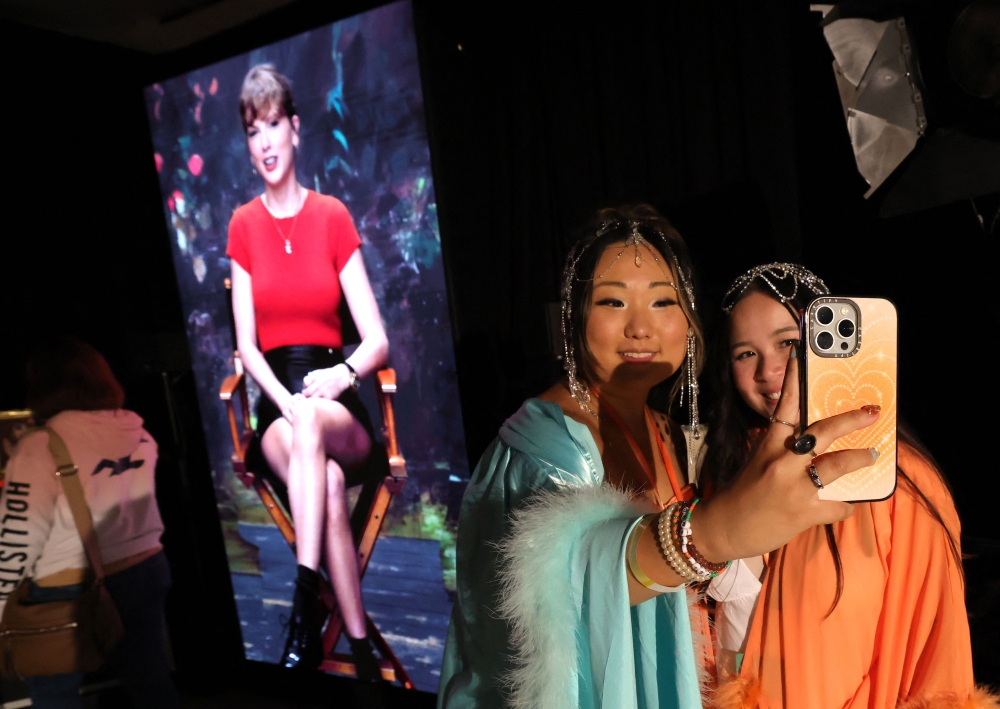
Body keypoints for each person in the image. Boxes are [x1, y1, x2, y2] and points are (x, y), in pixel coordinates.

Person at [437, 207, 885, 709]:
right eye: (612, 301)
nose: (640, 328)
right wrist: (712, 535)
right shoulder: (544, 448)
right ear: (572, 316)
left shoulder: (672, 434)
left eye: (663, 302)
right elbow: (554, 585)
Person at [703, 264, 997, 709]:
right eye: (745, 353)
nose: (768, 370)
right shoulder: (726, 469)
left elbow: (935, 654)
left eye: (788, 343)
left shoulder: (903, 482)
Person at [226, 64, 389, 678]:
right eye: (253, 131)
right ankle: (360, 649)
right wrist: (285, 400)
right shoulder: (243, 225)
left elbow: (377, 339)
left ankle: (301, 604)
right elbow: (246, 347)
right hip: (278, 402)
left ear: (294, 129)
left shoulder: (331, 215)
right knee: (323, 479)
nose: (265, 142)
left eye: (273, 125)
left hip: (333, 395)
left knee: (317, 427)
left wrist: (344, 374)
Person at [0, 339, 178, 709]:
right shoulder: (139, 431)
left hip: (67, 584)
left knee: (55, 695)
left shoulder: (40, 444)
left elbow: (19, 536)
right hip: (146, 567)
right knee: (149, 680)